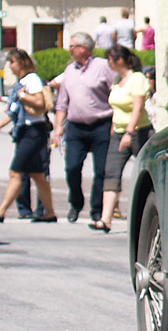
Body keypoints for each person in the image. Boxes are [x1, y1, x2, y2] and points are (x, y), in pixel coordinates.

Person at [51, 33, 117, 224]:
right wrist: (58, 128)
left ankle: (96, 209)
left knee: (101, 171)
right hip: (76, 127)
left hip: (101, 125)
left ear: (84, 48)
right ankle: (75, 203)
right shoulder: (70, 70)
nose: (70, 50)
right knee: (72, 167)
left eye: (73, 46)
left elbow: (116, 93)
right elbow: (62, 103)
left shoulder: (103, 67)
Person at [90, 45, 153, 232]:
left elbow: (137, 107)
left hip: (139, 132)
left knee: (148, 170)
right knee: (111, 172)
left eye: (110, 59)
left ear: (119, 60)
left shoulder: (137, 79)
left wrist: (129, 132)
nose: (109, 63)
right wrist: (115, 129)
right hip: (118, 133)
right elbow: (116, 109)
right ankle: (105, 219)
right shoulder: (118, 80)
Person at [0, 49, 57, 223]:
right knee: (38, 175)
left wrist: (22, 95)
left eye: (13, 62)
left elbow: (39, 102)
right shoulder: (21, 82)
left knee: (15, 172)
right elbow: (12, 114)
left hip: (34, 131)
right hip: (26, 131)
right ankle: (50, 213)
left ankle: (1, 212)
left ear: (22, 63)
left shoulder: (31, 80)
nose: (10, 66)